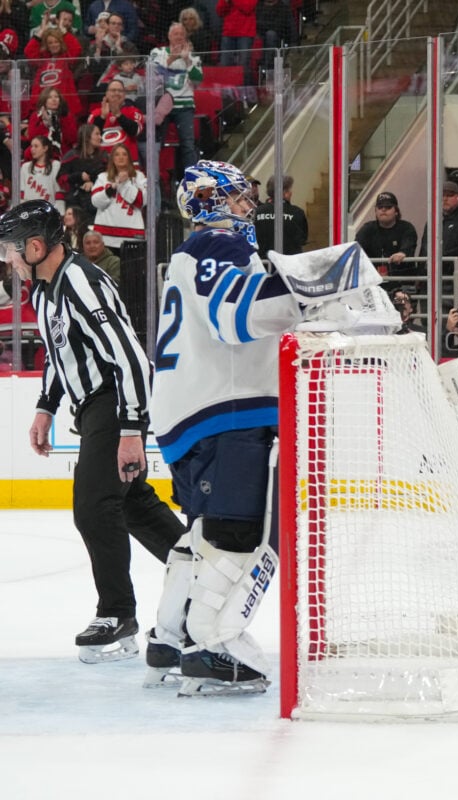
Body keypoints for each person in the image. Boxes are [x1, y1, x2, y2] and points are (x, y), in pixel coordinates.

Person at [0, 199, 184, 664]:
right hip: (92, 407)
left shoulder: (81, 281)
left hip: (112, 402)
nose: (8, 261)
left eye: (11, 250)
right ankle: (203, 577)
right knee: (135, 505)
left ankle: (117, 612)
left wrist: (129, 427)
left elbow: (129, 357)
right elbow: (62, 354)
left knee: (94, 508)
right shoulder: (44, 289)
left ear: (37, 246)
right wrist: (45, 406)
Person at [149, 160, 307, 694]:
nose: (249, 206)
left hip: (192, 414)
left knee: (205, 534)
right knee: (244, 534)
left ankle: (170, 636)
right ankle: (212, 645)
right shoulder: (219, 247)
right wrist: (316, 294)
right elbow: (235, 316)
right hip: (228, 412)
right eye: (239, 197)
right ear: (212, 202)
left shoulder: (192, 254)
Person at [148, 21, 204, 174]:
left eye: (181, 34)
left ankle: (192, 178)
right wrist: (171, 59)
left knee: (188, 144)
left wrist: (186, 60)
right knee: (156, 144)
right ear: (169, 36)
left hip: (184, 106)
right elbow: (153, 75)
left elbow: (197, 80)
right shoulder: (157, 52)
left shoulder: (193, 57)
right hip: (161, 106)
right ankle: (154, 177)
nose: (179, 37)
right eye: (175, 34)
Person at [90, 143, 147, 250]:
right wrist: (111, 189)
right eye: (117, 154)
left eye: (124, 154)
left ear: (129, 158)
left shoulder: (139, 177)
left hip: (132, 236)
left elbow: (141, 201)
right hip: (105, 236)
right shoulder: (103, 177)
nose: (120, 157)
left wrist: (125, 183)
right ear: (112, 158)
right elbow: (95, 202)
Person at [355, 191, 418, 276]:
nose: (383, 209)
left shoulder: (407, 228)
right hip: (373, 282)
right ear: (375, 211)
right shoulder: (367, 229)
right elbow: (355, 250)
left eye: (388, 207)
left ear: (396, 211)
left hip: (402, 282)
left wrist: (402, 253)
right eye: (380, 207)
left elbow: (408, 245)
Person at [253, 174, 308, 257]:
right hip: (288, 264)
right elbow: (302, 240)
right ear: (284, 193)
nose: (291, 193)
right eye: (289, 190)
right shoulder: (297, 212)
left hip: (263, 264)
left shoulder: (257, 212)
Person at [19, 135, 65, 211]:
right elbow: (21, 193)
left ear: (45, 148)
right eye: (31, 146)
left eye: (36, 146)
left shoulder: (55, 165)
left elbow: (59, 192)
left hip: (48, 211)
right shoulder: (25, 167)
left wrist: (60, 212)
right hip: (29, 211)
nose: (32, 149)